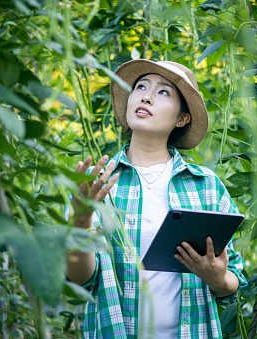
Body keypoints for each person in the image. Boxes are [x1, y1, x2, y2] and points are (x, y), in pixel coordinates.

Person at [66, 59, 247, 338]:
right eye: (140, 87)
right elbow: (82, 279)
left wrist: (218, 277)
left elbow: (232, 279)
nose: (146, 96)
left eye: (163, 92)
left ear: (182, 119)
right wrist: (80, 220)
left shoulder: (205, 186)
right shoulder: (96, 182)